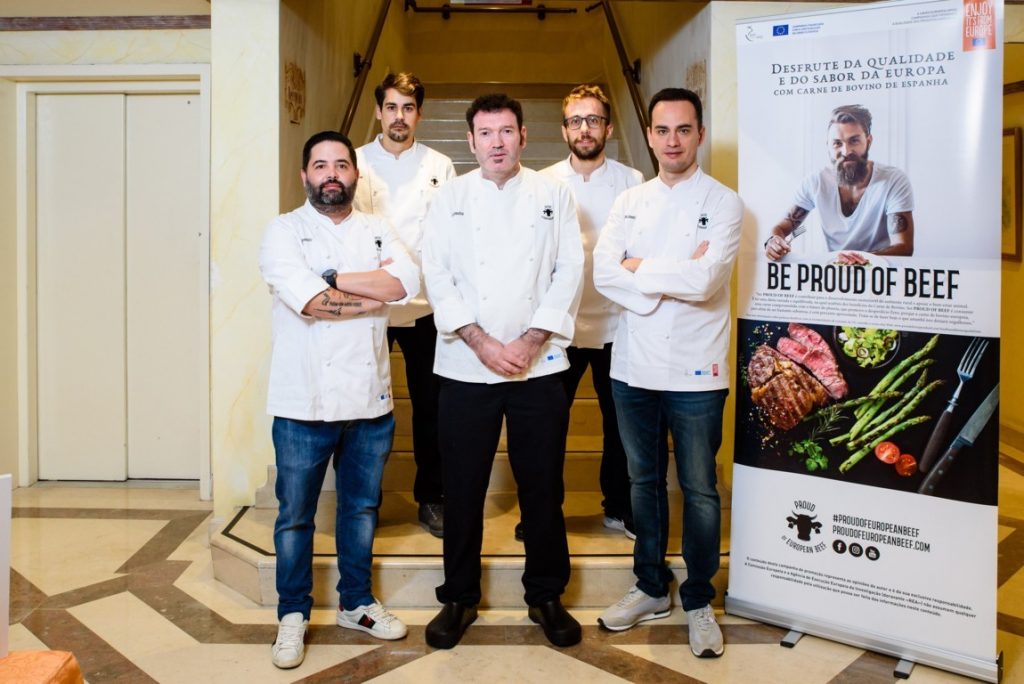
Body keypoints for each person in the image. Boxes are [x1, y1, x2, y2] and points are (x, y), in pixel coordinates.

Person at [420, 93, 584, 650]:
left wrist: (532, 339)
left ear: (523, 136)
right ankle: (459, 597)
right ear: (470, 141)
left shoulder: (553, 193)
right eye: (486, 133)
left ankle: (546, 594)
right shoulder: (448, 198)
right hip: (466, 365)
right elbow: (436, 274)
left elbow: (569, 270)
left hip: (539, 366)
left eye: (507, 131)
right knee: (462, 487)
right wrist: (482, 342)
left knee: (543, 484)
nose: (497, 142)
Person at [259, 131, 421, 669]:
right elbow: (312, 304)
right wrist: (368, 296)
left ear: (356, 174)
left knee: (361, 509)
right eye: (320, 165)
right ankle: (292, 613)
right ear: (305, 175)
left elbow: (404, 284)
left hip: (370, 403)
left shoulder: (378, 229)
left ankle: (356, 603)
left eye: (341, 164)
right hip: (302, 403)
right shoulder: (283, 231)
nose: (332, 173)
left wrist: (333, 283)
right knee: (295, 516)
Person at [593, 88, 743, 658]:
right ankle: (651, 586)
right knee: (643, 482)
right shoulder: (630, 200)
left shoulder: (725, 203)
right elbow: (604, 272)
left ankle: (699, 599)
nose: (672, 140)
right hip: (632, 367)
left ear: (700, 134)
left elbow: (705, 282)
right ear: (650, 136)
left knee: (700, 488)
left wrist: (639, 270)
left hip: (698, 370)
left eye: (683, 129)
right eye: (662, 130)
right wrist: (669, 275)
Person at [536, 84, 643, 541]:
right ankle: (543, 512)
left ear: (608, 128)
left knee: (621, 425)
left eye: (593, 120)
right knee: (547, 426)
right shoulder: (542, 181)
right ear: (564, 130)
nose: (585, 129)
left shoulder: (633, 180)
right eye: (576, 121)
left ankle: (619, 506)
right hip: (560, 326)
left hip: (618, 323)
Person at [354, 72, 457, 538]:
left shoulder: (440, 164)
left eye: (408, 108)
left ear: (419, 113)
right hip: (370, 304)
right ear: (378, 111)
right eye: (392, 107)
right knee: (363, 403)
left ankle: (432, 497)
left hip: (425, 306)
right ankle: (363, 499)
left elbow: (449, 236)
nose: (399, 117)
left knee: (432, 408)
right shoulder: (355, 161)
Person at [764, 104, 914, 260]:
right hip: (831, 270)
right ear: (828, 146)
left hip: (879, 270)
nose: (846, 151)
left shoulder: (893, 180)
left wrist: (858, 261)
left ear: (868, 141)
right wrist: (773, 241)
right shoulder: (815, 182)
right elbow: (783, 227)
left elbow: (904, 246)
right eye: (837, 143)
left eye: (854, 141)